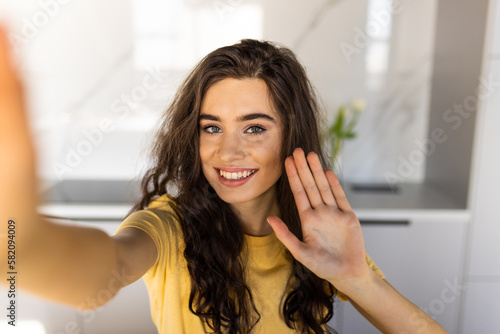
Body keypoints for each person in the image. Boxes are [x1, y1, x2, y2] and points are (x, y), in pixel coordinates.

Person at [0, 25, 446, 333]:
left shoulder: (320, 232)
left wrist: (357, 280)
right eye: (211, 127)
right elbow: (109, 270)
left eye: (254, 128)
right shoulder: (169, 225)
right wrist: (20, 246)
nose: (228, 152)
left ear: (291, 135)